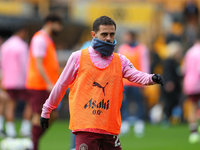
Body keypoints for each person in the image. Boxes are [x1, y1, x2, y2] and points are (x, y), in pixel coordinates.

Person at [40, 16, 164, 150]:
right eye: (104, 34)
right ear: (94, 35)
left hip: (109, 128)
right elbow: (61, 85)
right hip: (86, 126)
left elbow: (136, 75)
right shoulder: (78, 57)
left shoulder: (120, 60)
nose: (109, 38)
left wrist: (152, 78)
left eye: (112, 34)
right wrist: (46, 110)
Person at [25, 14, 63, 150]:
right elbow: (38, 64)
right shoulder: (40, 39)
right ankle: (33, 145)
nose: (60, 28)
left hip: (45, 85)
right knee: (39, 115)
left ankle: (31, 142)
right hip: (39, 85)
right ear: (50, 23)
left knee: (53, 115)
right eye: (59, 24)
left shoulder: (47, 39)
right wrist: (48, 82)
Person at [0, 25, 32, 138]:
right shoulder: (22, 46)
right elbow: (25, 65)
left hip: (7, 80)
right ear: (21, 32)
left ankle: (10, 131)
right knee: (30, 102)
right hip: (21, 80)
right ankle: (25, 128)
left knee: (10, 104)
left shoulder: (5, 46)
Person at [117, 30, 150, 137]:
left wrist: (145, 81)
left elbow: (144, 65)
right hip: (125, 82)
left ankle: (139, 123)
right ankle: (124, 123)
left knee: (139, 102)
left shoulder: (141, 49)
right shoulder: (122, 48)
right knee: (124, 103)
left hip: (137, 82)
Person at [182, 34, 200, 144]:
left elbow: (184, 69)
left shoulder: (189, 52)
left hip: (190, 83)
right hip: (198, 81)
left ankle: (193, 131)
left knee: (192, 106)